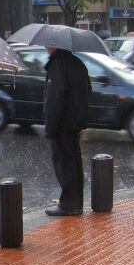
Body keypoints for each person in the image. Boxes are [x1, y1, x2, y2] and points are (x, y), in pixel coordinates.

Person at [44, 47, 91, 217]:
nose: (46, 47)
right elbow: (88, 90)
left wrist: (51, 127)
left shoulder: (58, 66)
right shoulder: (77, 63)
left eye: (48, 44)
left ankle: (69, 204)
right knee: (74, 161)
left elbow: (55, 100)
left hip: (62, 123)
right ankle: (75, 202)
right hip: (75, 121)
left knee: (64, 164)